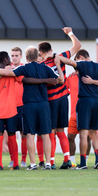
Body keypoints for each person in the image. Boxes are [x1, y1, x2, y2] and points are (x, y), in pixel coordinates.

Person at [0, 46, 63, 170]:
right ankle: (48, 163)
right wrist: (58, 66)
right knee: (46, 134)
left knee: (30, 134)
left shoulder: (23, 68)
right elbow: (60, 80)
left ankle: (32, 164)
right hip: (43, 103)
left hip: (29, 104)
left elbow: (5, 72)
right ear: (37, 56)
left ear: (25, 57)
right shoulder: (45, 67)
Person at [59, 50, 98, 169]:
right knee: (93, 134)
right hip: (96, 102)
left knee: (83, 134)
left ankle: (83, 163)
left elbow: (68, 61)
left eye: (77, 60)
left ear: (81, 57)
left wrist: (57, 57)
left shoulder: (82, 64)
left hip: (85, 101)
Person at [38, 27, 82, 168]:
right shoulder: (60, 57)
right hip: (63, 98)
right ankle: (66, 160)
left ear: (40, 53)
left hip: (51, 100)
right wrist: (69, 33)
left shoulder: (41, 65)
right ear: (51, 50)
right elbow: (78, 46)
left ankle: (51, 162)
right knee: (61, 131)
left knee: (50, 131)